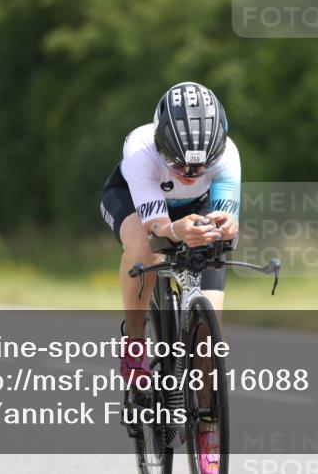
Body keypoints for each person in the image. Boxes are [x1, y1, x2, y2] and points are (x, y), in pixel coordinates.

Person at [100, 81, 240, 474]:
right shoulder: (140, 151)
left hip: (194, 210)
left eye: (201, 167)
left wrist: (226, 226)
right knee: (145, 250)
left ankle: (207, 423)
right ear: (162, 146)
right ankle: (134, 342)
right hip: (135, 202)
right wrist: (179, 231)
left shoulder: (228, 155)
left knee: (213, 310)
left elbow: (232, 220)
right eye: (180, 166)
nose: (192, 173)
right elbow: (157, 228)